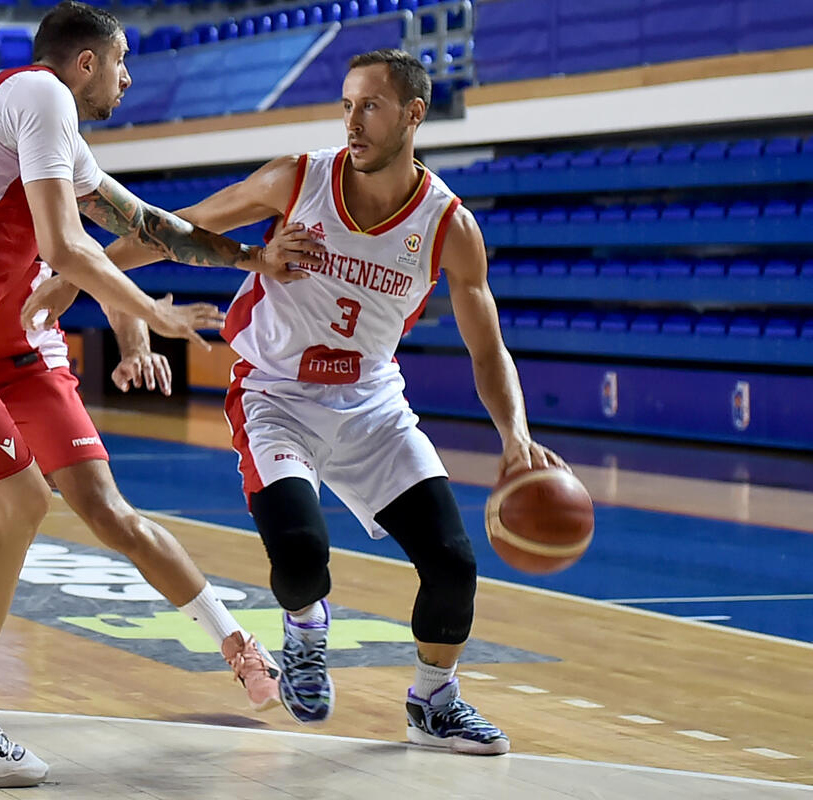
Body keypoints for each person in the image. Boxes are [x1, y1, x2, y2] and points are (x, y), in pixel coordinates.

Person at [0, 2, 315, 788]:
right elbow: (66, 246)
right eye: (122, 60)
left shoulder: (49, 131)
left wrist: (251, 258)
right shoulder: (39, 94)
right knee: (19, 500)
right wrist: (152, 314)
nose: (128, 77)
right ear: (86, 62)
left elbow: (150, 225)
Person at [28, 48, 570, 756]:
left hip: (373, 405)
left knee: (452, 564)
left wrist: (515, 436)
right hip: (275, 395)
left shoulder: (448, 226)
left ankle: (433, 702)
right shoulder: (299, 178)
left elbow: (486, 348)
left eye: (370, 106)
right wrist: (78, 275)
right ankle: (306, 629)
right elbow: (182, 226)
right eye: (346, 105)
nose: (353, 121)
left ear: (414, 113)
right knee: (301, 552)